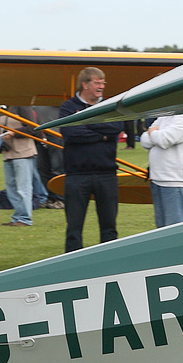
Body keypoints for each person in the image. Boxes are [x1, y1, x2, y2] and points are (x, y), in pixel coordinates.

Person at [57, 68, 122, 250]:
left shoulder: (111, 105)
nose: (101, 87)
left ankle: (110, 263)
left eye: (103, 83)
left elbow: (116, 127)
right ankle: (73, 265)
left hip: (107, 174)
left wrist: (85, 125)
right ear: (85, 84)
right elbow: (71, 132)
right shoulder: (68, 107)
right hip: (77, 175)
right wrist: (101, 134)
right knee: (74, 227)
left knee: (109, 227)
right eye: (97, 83)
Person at [139, 113, 183, 227]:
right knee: (163, 230)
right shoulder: (164, 116)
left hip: (176, 182)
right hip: (157, 180)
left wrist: (152, 132)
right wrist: (156, 134)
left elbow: (164, 140)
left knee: (180, 231)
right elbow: (144, 141)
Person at [0, 107, 38, 227]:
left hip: (23, 153)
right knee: (11, 188)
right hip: (8, 153)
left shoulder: (22, 106)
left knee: (23, 188)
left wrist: (14, 133)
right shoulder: (3, 108)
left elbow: (33, 129)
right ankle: (17, 217)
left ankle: (25, 218)